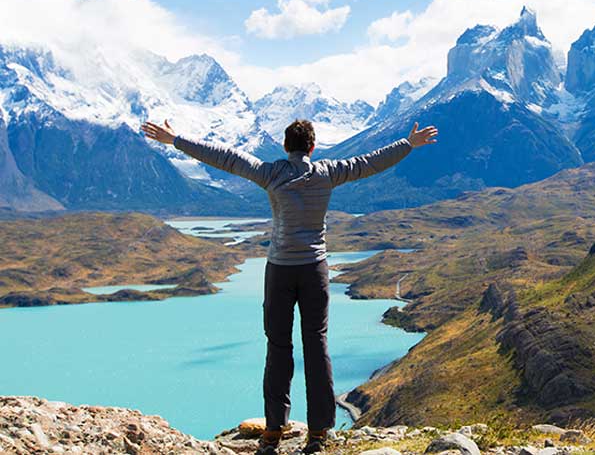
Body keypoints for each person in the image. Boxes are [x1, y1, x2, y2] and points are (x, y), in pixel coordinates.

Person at [141, 118, 438, 454]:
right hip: (315, 270)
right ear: (312, 148)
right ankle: (318, 433)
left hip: (280, 270)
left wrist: (176, 139)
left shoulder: (271, 173)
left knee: (278, 347)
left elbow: (224, 157)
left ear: (285, 146)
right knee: (317, 345)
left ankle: (273, 431)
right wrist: (408, 144)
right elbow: (370, 162)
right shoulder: (328, 172)